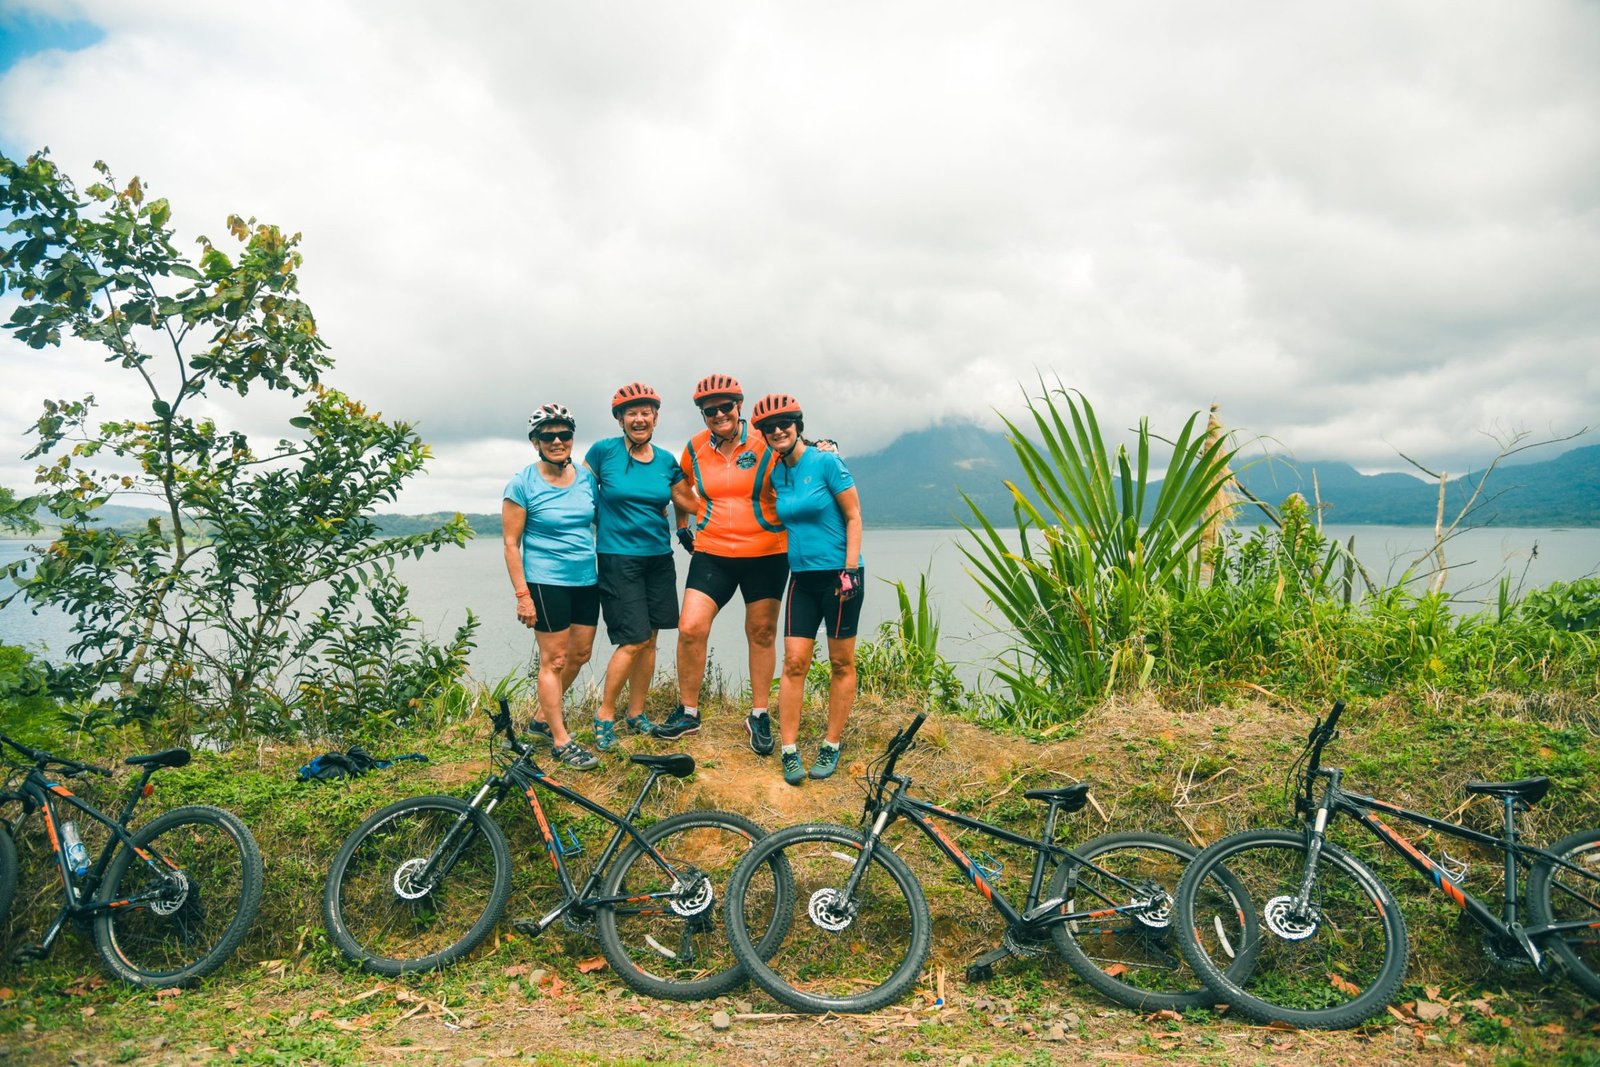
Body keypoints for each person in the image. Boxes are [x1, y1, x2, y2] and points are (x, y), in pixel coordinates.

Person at [655, 374, 788, 752]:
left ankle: (759, 714)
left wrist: (825, 446)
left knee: (760, 632)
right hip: (713, 551)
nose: (718, 414)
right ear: (702, 414)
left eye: (725, 407)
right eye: (709, 410)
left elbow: (797, 453)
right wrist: (683, 526)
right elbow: (679, 486)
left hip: (767, 551)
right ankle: (688, 712)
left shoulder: (765, 439)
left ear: (739, 407)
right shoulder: (695, 448)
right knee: (690, 627)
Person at [749, 394, 864, 786]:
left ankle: (831, 743)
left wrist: (850, 570)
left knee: (839, 662)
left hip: (839, 577)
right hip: (801, 577)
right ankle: (789, 750)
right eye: (769, 427)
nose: (778, 431)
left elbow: (854, 516)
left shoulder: (826, 461)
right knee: (794, 662)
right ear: (763, 435)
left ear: (798, 424)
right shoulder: (777, 472)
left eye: (785, 423)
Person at [583, 382, 698, 751]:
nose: (639, 418)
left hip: (658, 557)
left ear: (656, 417)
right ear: (619, 419)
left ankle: (636, 713)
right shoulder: (603, 453)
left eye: (646, 412)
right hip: (618, 557)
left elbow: (686, 499)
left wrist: (694, 522)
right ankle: (604, 714)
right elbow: (580, 492)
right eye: (631, 413)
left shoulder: (666, 460)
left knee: (650, 640)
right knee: (632, 640)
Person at [501, 403, 600, 770]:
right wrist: (523, 596)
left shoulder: (587, 479)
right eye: (548, 436)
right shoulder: (522, 483)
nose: (557, 441)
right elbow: (512, 544)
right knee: (555, 659)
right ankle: (561, 740)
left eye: (564, 434)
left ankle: (542, 719)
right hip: (545, 582)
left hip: (586, 580)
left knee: (580, 655)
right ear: (535, 442)